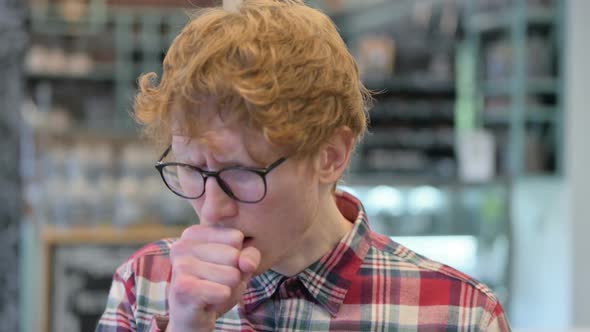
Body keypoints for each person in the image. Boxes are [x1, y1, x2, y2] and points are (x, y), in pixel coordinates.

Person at [96, 0, 511, 331]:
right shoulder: (147, 285)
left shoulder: (456, 314)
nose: (211, 208)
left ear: (331, 155)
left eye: (242, 172)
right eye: (191, 170)